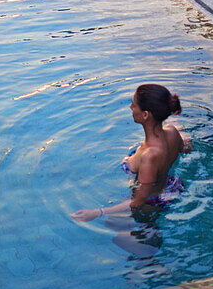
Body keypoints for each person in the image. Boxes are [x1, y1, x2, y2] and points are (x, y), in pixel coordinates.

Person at [71, 83, 191, 222]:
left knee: (117, 233)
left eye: (134, 105)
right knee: (115, 228)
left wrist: (98, 212)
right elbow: (187, 148)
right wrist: (180, 129)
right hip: (169, 187)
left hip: (149, 205)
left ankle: (148, 235)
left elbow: (138, 201)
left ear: (145, 114)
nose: (130, 108)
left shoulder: (150, 156)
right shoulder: (172, 132)